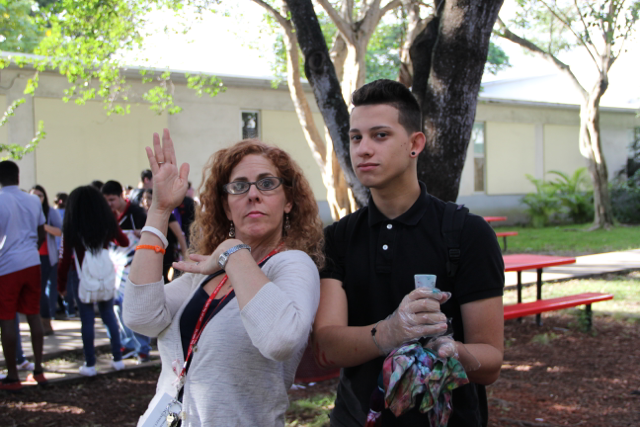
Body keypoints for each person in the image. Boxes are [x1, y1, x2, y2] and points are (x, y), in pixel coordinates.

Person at [313, 80, 505, 427]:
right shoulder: (337, 238)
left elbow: (490, 362)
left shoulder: (467, 233)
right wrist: (391, 331)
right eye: (356, 137)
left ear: (415, 144)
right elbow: (327, 346)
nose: (363, 149)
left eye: (380, 135)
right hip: (356, 419)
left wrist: (449, 350)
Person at [124, 130, 324, 426]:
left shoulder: (292, 265)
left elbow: (280, 340)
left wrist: (233, 250)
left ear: (289, 201)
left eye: (267, 184)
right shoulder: (207, 273)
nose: (253, 194)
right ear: (227, 207)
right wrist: (160, 210)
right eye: (239, 186)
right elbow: (141, 316)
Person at [57, 185, 129, 376]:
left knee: (87, 320)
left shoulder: (72, 225)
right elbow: (124, 242)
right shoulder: (107, 220)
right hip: (105, 276)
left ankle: (90, 364)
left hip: (81, 277)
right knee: (109, 316)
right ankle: (118, 359)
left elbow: (64, 259)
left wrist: (61, 285)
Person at [0, 160, 47, 391]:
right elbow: (41, 231)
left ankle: (12, 376)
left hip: (7, 265)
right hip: (32, 262)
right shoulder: (32, 200)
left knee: (7, 318)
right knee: (33, 315)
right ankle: (38, 370)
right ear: (18, 177)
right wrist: (31, 250)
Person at [101, 180, 152, 363]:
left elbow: (153, 235)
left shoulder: (137, 213)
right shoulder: (107, 216)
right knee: (116, 307)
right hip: (114, 271)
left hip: (135, 269)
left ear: (121, 196)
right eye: (106, 200)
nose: (109, 204)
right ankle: (128, 344)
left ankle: (142, 348)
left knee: (134, 308)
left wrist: (142, 232)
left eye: (112, 199)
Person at [30, 185, 62, 335]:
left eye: (40, 195)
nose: (37, 198)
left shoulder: (51, 212)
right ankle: (39, 323)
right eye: (34, 195)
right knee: (34, 290)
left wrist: (44, 226)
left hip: (46, 257)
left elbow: (60, 231)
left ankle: (46, 322)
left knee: (41, 290)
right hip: (29, 256)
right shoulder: (26, 210)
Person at [141, 188, 189, 281]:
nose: (146, 201)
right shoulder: (145, 216)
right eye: (144, 198)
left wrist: (185, 255)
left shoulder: (167, 215)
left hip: (167, 254)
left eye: (150, 198)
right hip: (152, 254)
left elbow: (179, 235)